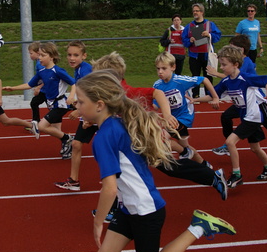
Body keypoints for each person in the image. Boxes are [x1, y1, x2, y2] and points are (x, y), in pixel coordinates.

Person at [74, 70, 236, 252]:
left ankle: (199, 227)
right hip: (132, 208)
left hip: (146, 211)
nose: (76, 105)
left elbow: (110, 188)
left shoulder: (104, 137)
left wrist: (97, 220)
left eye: (80, 101)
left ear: (100, 104)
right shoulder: (115, 123)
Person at [88, 52, 228, 203]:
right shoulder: (110, 95)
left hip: (147, 137)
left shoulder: (126, 92)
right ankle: (115, 206)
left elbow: (158, 93)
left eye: (99, 78)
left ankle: (213, 177)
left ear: (110, 78)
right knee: (123, 170)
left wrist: (167, 115)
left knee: (169, 167)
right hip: (132, 139)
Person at [208, 35, 267, 170]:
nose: (230, 50)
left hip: (257, 102)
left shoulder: (246, 63)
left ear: (242, 49)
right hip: (243, 102)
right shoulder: (233, 62)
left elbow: (235, 77)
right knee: (226, 116)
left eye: (233, 48)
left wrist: (216, 73)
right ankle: (228, 145)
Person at [198, 45, 267, 188]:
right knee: (255, 148)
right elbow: (212, 95)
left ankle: (237, 175)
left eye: (224, 64)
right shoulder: (226, 81)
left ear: (235, 64)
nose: (221, 68)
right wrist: (193, 100)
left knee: (230, 142)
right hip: (246, 117)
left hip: (252, 117)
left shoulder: (246, 78)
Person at [4, 42, 76, 159]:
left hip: (60, 105)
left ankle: (68, 139)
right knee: (57, 130)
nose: (39, 58)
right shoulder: (42, 72)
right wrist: (13, 88)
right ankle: (67, 147)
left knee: (41, 126)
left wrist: (72, 96)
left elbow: (73, 83)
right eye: (39, 55)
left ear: (51, 57)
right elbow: (29, 84)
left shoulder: (58, 71)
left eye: (43, 55)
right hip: (51, 104)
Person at [153, 51, 220, 165]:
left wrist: (215, 97)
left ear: (173, 67)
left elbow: (204, 79)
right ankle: (204, 164)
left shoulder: (180, 81)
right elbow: (155, 104)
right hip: (173, 118)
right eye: (158, 69)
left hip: (184, 116)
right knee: (185, 145)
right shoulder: (157, 85)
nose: (160, 72)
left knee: (161, 138)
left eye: (164, 68)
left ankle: (183, 152)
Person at [54, 40, 97, 190]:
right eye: (69, 55)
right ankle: (74, 181)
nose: (72, 58)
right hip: (89, 113)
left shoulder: (86, 70)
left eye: (76, 55)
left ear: (84, 56)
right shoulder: (78, 69)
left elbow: (94, 94)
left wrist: (79, 110)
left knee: (109, 147)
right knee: (76, 144)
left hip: (99, 114)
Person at [182, 3, 222, 97]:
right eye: (194, 11)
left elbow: (218, 36)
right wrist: (190, 40)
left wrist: (209, 35)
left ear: (202, 12)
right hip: (194, 55)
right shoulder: (189, 26)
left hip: (206, 54)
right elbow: (184, 40)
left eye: (197, 11)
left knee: (208, 75)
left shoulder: (209, 24)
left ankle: (209, 94)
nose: (195, 12)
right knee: (195, 76)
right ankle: (196, 95)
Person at [27, 41, 47, 138]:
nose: (30, 55)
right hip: (45, 89)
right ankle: (36, 122)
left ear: (37, 53)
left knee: (59, 106)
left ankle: (74, 107)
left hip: (48, 89)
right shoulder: (38, 63)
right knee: (34, 103)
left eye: (31, 53)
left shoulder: (40, 64)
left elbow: (46, 77)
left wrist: (39, 87)